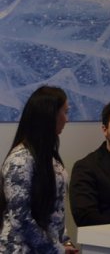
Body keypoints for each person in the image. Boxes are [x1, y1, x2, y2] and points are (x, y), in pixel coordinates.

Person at [0, 85, 78, 254]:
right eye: (65, 112)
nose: (67, 119)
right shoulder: (20, 160)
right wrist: (56, 249)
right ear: (50, 115)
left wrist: (65, 241)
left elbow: (56, 211)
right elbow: (20, 218)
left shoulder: (49, 158)